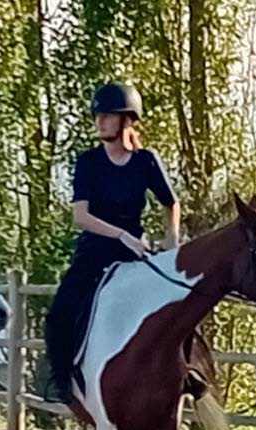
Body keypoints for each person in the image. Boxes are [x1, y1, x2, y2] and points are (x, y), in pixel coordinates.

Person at [41, 82, 181, 403]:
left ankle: (189, 372)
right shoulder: (88, 162)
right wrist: (120, 234)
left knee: (175, 306)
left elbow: (171, 203)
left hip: (137, 251)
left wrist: (171, 240)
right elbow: (81, 216)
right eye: (98, 116)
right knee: (59, 314)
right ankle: (61, 384)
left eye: (108, 116)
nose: (100, 121)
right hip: (96, 250)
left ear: (126, 120)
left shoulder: (147, 161)